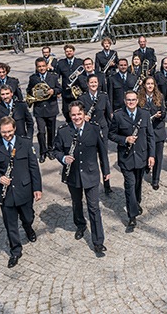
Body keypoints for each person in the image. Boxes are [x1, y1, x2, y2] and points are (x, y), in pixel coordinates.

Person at [55, 102, 111, 254]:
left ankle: (98, 241)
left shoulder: (94, 128)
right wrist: (63, 158)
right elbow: (56, 150)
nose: (76, 117)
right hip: (73, 175)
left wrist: (106, 170)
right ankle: (80, 225)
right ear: (69, 116)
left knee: (94, 208)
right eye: (73, 115)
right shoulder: (63, 131)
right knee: (76, 203)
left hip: (91, 174)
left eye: (79, 114)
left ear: (84, 113)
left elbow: (102, 151)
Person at [0, 117, 42, 268]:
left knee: (28, 216)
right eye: (4, 132)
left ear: (15, 129)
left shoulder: (25, 143)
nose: (7, 135)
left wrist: (37, 188)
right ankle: (15, 251)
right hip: (6, 194)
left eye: (9, 131)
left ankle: (28, 227)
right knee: (10, 224)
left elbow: (34, 168)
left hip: (24, 189)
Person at [108, 90, 155, 232]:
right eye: (128, 100)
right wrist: (124, 139)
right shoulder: (118, 115)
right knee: (130, 185)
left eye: (133, 100)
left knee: (138, 184)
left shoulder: (145, 114)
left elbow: (150, 136)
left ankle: (137, 203)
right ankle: (132, 216)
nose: (131, 102)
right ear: (124, 101)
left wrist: (151, 155)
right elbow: (111, 134)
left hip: (141, 157)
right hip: (126, 158)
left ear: (137, 100)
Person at [79, 74, 114, 195]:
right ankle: (90, 183)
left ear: (98, 83)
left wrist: (109, 131)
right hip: (89, 131)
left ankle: (107, 185)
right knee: (90, 158)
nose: (93, 84)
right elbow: (77, 116)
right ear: (87, 84)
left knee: (104, 158)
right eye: (91, 82)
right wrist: (84, 118)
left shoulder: (103, 96)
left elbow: (108, 114)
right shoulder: (82, 98)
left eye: (95, 82)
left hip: (102, 130)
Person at [26, 58, 62, 163]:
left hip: (51, 108)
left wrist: (53, 91)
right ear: (36, 67)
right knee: (41, 132)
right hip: (39, 109)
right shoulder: (33, 78)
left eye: (43, 66)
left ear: (46, 66)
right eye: (39, 67)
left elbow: (59, 89)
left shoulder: (53, 76)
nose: (41, 68)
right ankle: (43, 152)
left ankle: (50, 149)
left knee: (51, 131)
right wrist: (33, 93)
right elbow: (29, 90)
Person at [139, 76, 167, 190]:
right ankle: (146, 166)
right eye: (148, 84)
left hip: (157, 130)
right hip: (145, 132)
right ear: (144, 85)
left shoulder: (160, 96)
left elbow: (164, 112)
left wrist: (161, 115)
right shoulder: (139, 98)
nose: (150, 86)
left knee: (158, 157)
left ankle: (155, 179)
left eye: (152, 84)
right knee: (145, 153)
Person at [57, 44, 84, 124]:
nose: (69, 53)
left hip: (78, 92)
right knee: (66, 111)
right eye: (67, 51)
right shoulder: (61, 63)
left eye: (70, 51)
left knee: (79, 110)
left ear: (73, 51)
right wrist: (58, 90)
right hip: (66, 92)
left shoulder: (80, 62)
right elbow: (57, 77)